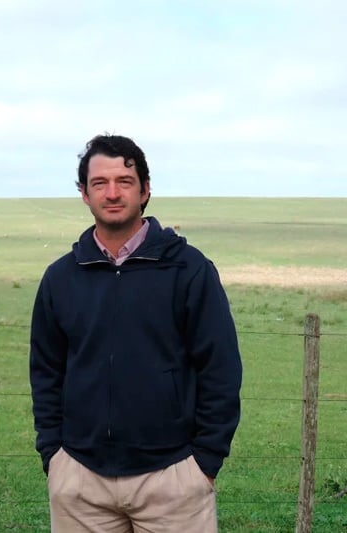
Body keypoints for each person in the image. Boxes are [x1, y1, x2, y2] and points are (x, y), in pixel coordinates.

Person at [29, 134, 242, 532]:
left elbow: (220, 368)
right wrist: (54, 455)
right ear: (84, 193)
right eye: (99, 183)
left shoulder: (189, 270)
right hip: (80, 480)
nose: (112, 193)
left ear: (145, 190)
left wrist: (205, 463)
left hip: (173, 478)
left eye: (124, 182)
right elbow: (46, 371)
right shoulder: (60, 277)